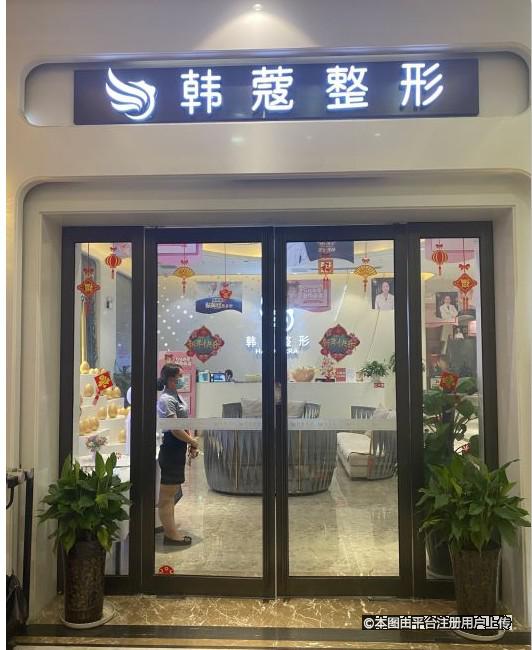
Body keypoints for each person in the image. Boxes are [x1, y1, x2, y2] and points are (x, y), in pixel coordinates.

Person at [156, 363, 199, 546]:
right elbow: (174, 428)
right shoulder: (166, 399)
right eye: (180, 376)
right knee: (166, 495)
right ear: (170, 378)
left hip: (178, 447)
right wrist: (193, 441)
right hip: (171, 449)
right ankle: (171, 535)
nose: (182, 379)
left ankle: (171, 531)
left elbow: (182, 423)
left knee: (172, 492)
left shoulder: (176, 396)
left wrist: (190, 441)